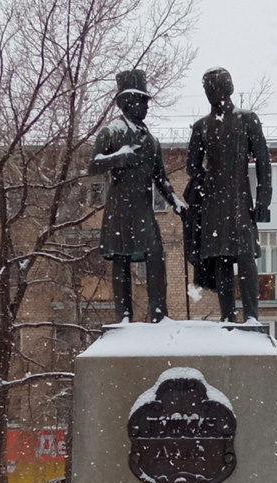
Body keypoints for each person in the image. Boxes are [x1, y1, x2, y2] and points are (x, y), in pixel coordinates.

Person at [88, 69, 183, 323]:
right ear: (127, 102)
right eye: (141, 101)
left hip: (143, 208)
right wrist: (120, 157)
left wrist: (176, 202)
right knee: (121, 260)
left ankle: (159, 315)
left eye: (146, 101)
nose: (146, 107)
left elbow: (161, 177)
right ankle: (124, 318)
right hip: (119, 206)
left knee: (155, 256)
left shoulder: (151, 141)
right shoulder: (112, 131)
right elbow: (93, 165)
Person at [185, 67, 271, 323]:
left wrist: (264, 199)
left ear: (228, 88)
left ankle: (252, 318)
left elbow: (264, 161)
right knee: (221, 260)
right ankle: (227, 318)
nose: (211, 93)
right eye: (207, 89)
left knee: (245, 258)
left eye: (215, 87)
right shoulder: (202, 126)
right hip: (214, 203)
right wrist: (202, 184)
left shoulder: (247, 120)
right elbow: (192, 164)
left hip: (240, 200)